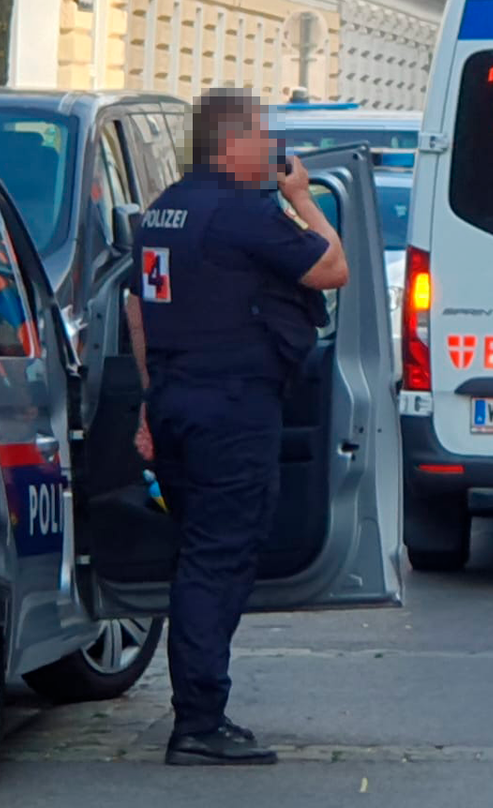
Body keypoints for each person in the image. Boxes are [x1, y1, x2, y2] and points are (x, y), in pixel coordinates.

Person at [125, 88, 348, 766]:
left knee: (197, 554)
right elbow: (332, 267)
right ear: (230, 143)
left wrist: (147, 399)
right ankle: (199, 720)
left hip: (176, 402)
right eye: (263, 137)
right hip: (230, 408)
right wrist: (304, 198)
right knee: (216, 561)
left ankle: (199, 711)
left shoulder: (161, 211)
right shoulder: (245, 213)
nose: (273, 150)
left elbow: (138, 309)